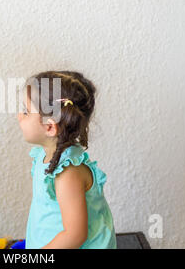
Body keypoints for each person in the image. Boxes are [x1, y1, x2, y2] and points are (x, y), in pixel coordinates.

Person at [17, 71, 116, 249]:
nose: (19, 116)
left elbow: (75, 235)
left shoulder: (67, 173)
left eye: (25, 111)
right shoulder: (45, 155)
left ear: (49, 127)